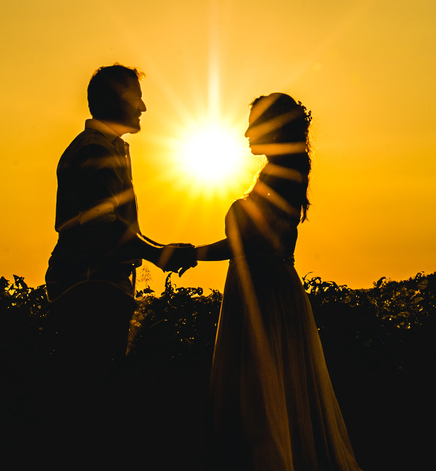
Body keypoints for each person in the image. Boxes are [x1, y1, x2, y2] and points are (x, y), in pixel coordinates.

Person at [197, 93, 361, 470]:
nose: (245, 134)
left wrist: (191, 254)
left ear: (273, 128)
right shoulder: (281, 174)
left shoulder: (279, 177)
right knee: (273, 391)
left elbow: (246, 241)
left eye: (253, 125)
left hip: (263, 293)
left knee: (261, 394)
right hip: (265, 288)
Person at [46, 64, 197, 382]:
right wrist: (159, 254)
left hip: (94, 286)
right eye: (136, 97)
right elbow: (103, 226)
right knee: (93, 386)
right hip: (90, 290)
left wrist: (160, 250)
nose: (143, 107)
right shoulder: (95, 150)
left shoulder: (105, 148)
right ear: (111, 100)